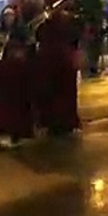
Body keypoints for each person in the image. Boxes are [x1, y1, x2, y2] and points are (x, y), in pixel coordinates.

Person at [0, 8, 33, 149]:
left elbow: (28, 46)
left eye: (11, 16)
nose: (8, 19)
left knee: (17, 102)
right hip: (2, 70)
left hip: (17, 71)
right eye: (6, 16)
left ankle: (18, 133)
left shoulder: (20, 31)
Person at [35, 8, 81, 136]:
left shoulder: (45, 27)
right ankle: (66, 122)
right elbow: (75, 40)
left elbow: (38, 37)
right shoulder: (68, 27)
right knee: (66, 93)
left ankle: (52, 121)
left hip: (49, 63)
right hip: (64, 63)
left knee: (51, 93)